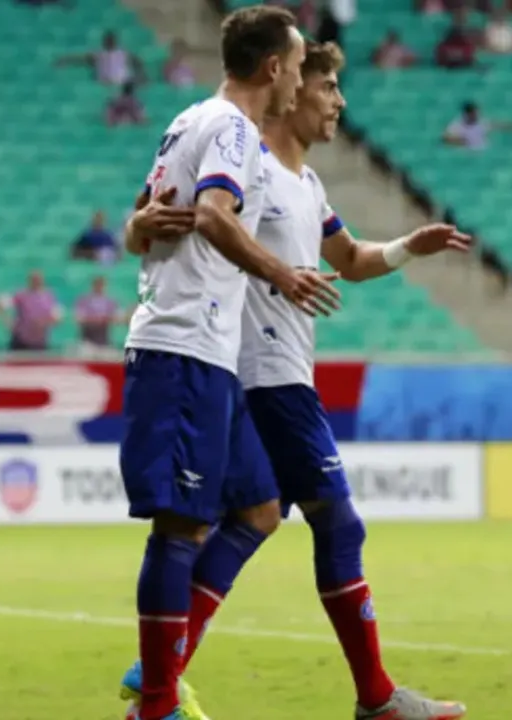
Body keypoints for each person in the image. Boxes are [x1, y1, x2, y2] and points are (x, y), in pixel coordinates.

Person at [125, 41, 471, 720]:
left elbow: (351, 258)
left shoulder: (308, 186)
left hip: (255, 370)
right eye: (328, 86)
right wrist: (141, 223)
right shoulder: (244, 157)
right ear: (289, 86)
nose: (338, 101)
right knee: (335, 521)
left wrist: (407, 246)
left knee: (256, 512)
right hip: (263, 374)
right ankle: (377, 697)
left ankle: (160, 666)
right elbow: (192, 210)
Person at [112, 8, 340, 720]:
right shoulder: (233, 128)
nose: (301, 80)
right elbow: (212, 214)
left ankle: (159, 669)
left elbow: (142, 220)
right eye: (299, 67)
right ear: (274, 68)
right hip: (182, 343)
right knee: (179, 526)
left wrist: (136, 228)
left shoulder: (189, 120)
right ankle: (156, 704)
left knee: (261, 506)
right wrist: (284, 273)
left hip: (211, 354)